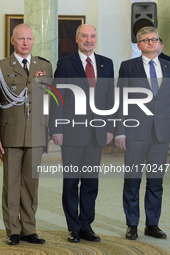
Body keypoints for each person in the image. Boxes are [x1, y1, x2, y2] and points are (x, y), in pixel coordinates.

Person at [115, 26, 170, 240]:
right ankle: (132, 224)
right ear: (139, 45)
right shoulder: (128, 67)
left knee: (156, 181)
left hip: (161, 135)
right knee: (132, 180)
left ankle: (152, 224)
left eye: (154, 39)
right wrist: (120, 132)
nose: (151, 43)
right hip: (135, 134)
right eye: (146, 40)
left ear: (159, 43)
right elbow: (120, 102)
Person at [50, 24, 114, 243]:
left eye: (92, 36)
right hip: (72, 134)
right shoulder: (65, 64)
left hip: (96, 134)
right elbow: (56, 98)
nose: (89, 40)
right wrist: (56, 128)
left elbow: (110, 99)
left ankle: (86, 226)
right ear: (77, 39)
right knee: (70, 183)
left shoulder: (107, 64)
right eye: (85, 36)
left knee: (90, 182)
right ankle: (73, 228)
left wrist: (110, 127)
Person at [0, 23, 52, 245]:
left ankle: (29, 228)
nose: (25, 43)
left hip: (36, 134)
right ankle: (13, 230)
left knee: (31, 184)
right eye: (21, 39)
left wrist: (47, 133)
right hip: (11, 134)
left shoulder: (44, 66)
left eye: (29, 39)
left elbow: (48, 103)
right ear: (12, 40)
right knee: (12, 183)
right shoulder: (0, 67)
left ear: (33, 40)